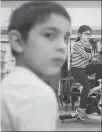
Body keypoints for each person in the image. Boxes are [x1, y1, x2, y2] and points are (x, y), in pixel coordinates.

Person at [1, 1, 71, 131]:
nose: (62, 46)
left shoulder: (10, 83)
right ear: (17, 41)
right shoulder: (35, 93)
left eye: (65, 38)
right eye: (49, 35)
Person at [71, 25, 101, 120]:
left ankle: (97, 85)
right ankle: (81, 109)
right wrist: (95, 55)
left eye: (89, 34)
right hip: (76, 69)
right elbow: (86, 56)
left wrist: (94, 59)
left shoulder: (88, 44)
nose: (88, 36)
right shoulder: (77, 44)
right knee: (87, 84)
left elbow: (90, 58)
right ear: (80, 34)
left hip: (85, 68)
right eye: (86, 34)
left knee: (99, 66)